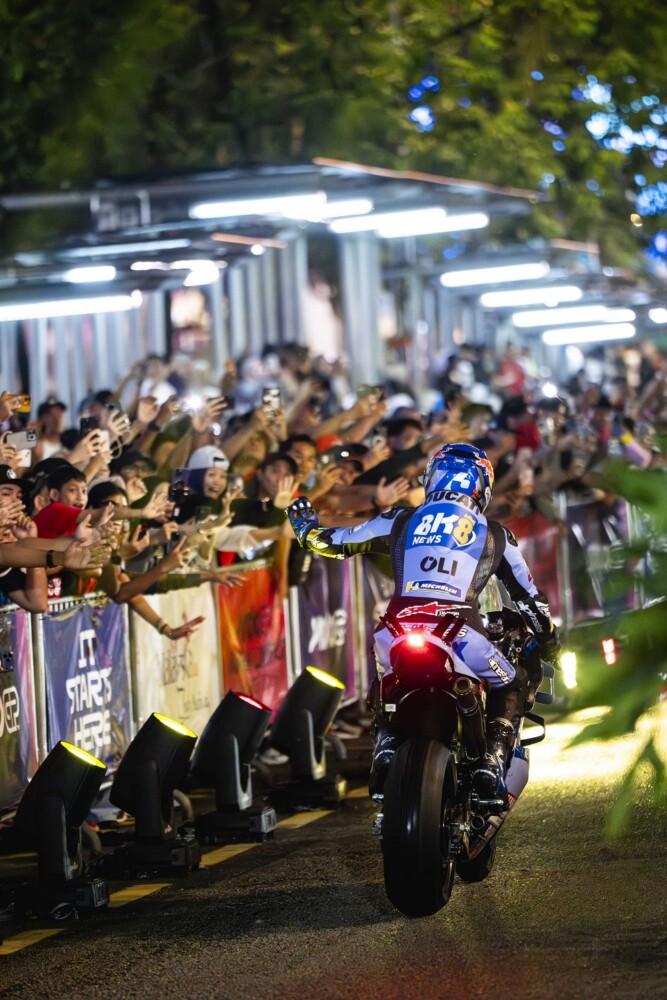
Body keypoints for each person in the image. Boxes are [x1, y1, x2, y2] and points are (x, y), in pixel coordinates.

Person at [286, 443, 560, 800]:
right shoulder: (496, 534)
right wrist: (548, 639)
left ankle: (385, 740)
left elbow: (335, 543)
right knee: (513, 681)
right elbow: (530, 600)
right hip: (461, 636)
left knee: (384, 680)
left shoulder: (399, 519)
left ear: (432, 478)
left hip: (394, 633)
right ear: (483, 488)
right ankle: (492, 758)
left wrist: (305, 528)